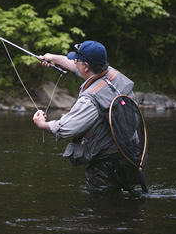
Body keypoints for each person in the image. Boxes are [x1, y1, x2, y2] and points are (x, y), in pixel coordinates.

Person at [33, 40, 143, 195]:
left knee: (100, 213)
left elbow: (65, 128)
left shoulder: (90, 99)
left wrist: (42, 124)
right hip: (132, 157)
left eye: (77, 60)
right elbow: (79, 68)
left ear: (85, 66)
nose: (74, 63)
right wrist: (54, 58)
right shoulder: (113, 74)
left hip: (106, 168)